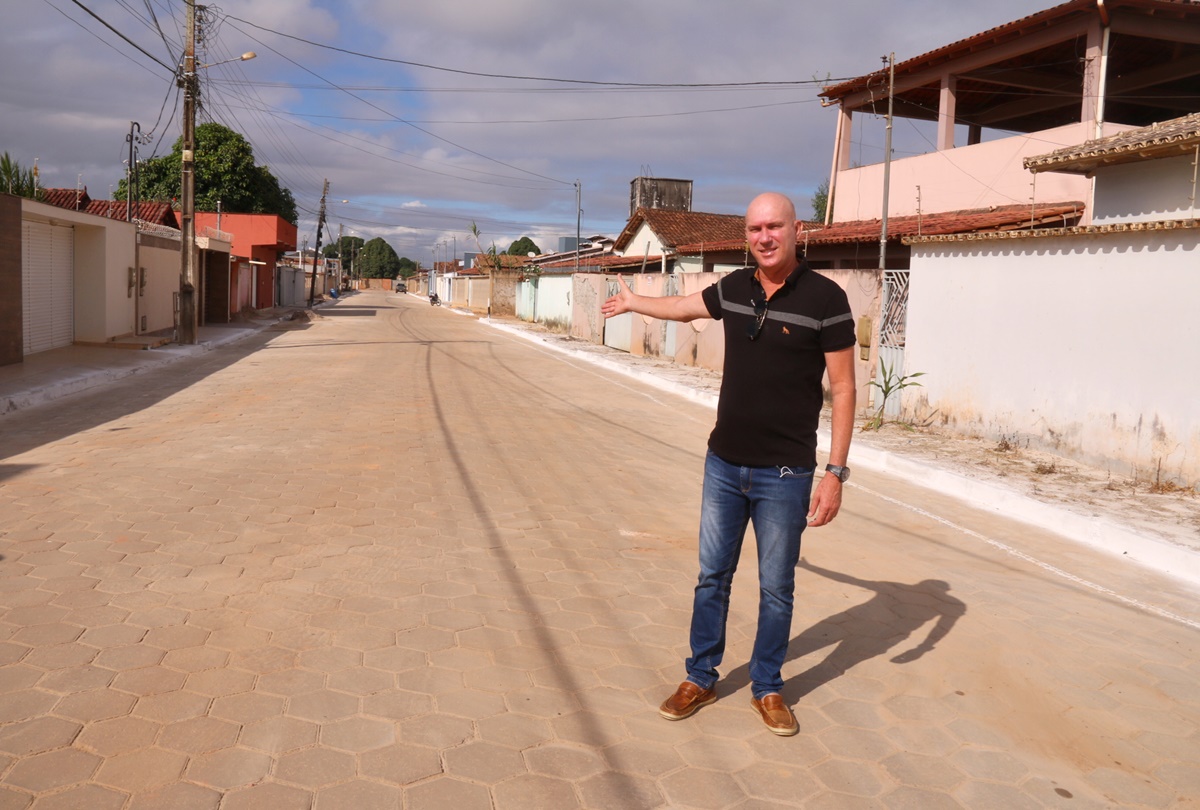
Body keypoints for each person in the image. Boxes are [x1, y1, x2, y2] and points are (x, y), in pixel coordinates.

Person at [601, 192, 856, 736]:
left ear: (796, 229)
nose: (764, 237)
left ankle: (767, 686)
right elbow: (686, 305)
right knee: (711, 577)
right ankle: (701, 676)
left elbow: (844, 388)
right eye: (756, 228)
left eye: (775, 227)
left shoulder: (826, 299)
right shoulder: (736, 287)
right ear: (748, 234)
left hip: (785, 474)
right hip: (723, 465)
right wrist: (635, 302)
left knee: (775, 586)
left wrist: (834, 474)